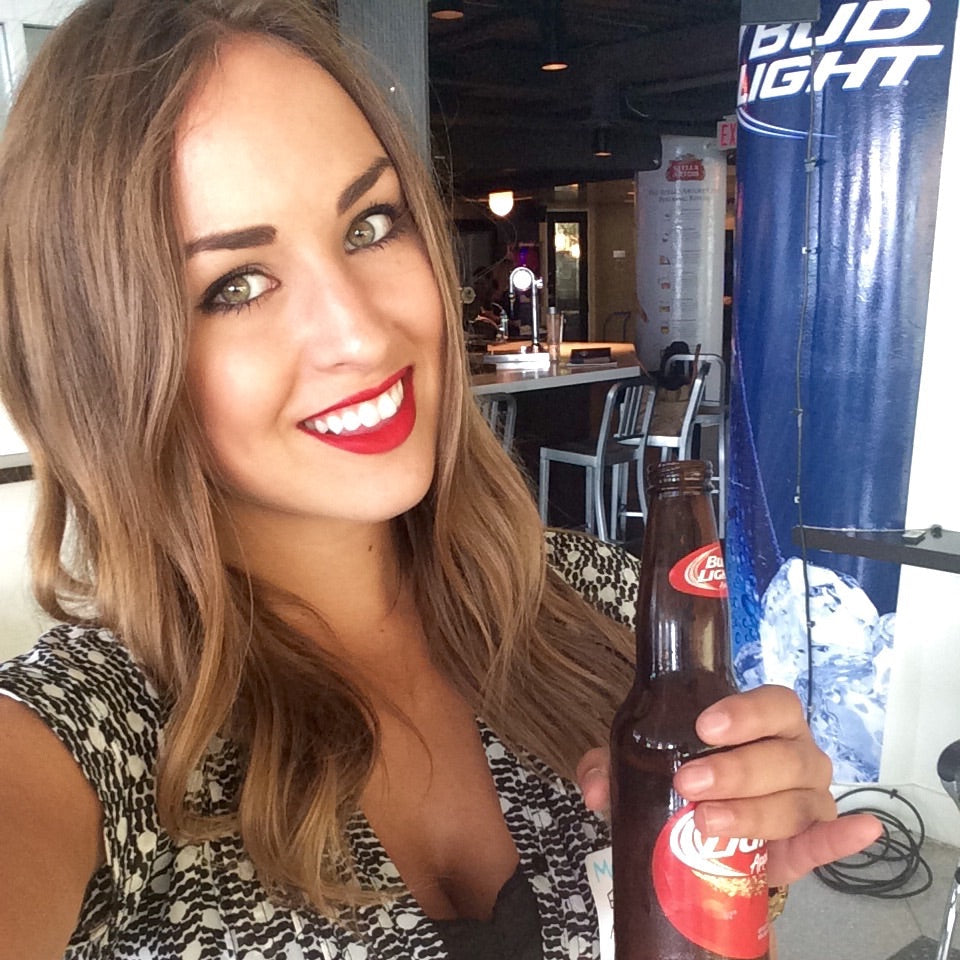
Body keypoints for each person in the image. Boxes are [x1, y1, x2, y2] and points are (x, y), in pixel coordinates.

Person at [0, 2, 880, 958]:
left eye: (370, 224)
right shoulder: (90, 737)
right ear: (100, 361)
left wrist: (738, 872)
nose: (362, 332)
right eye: (235, 286)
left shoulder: (593, 604)